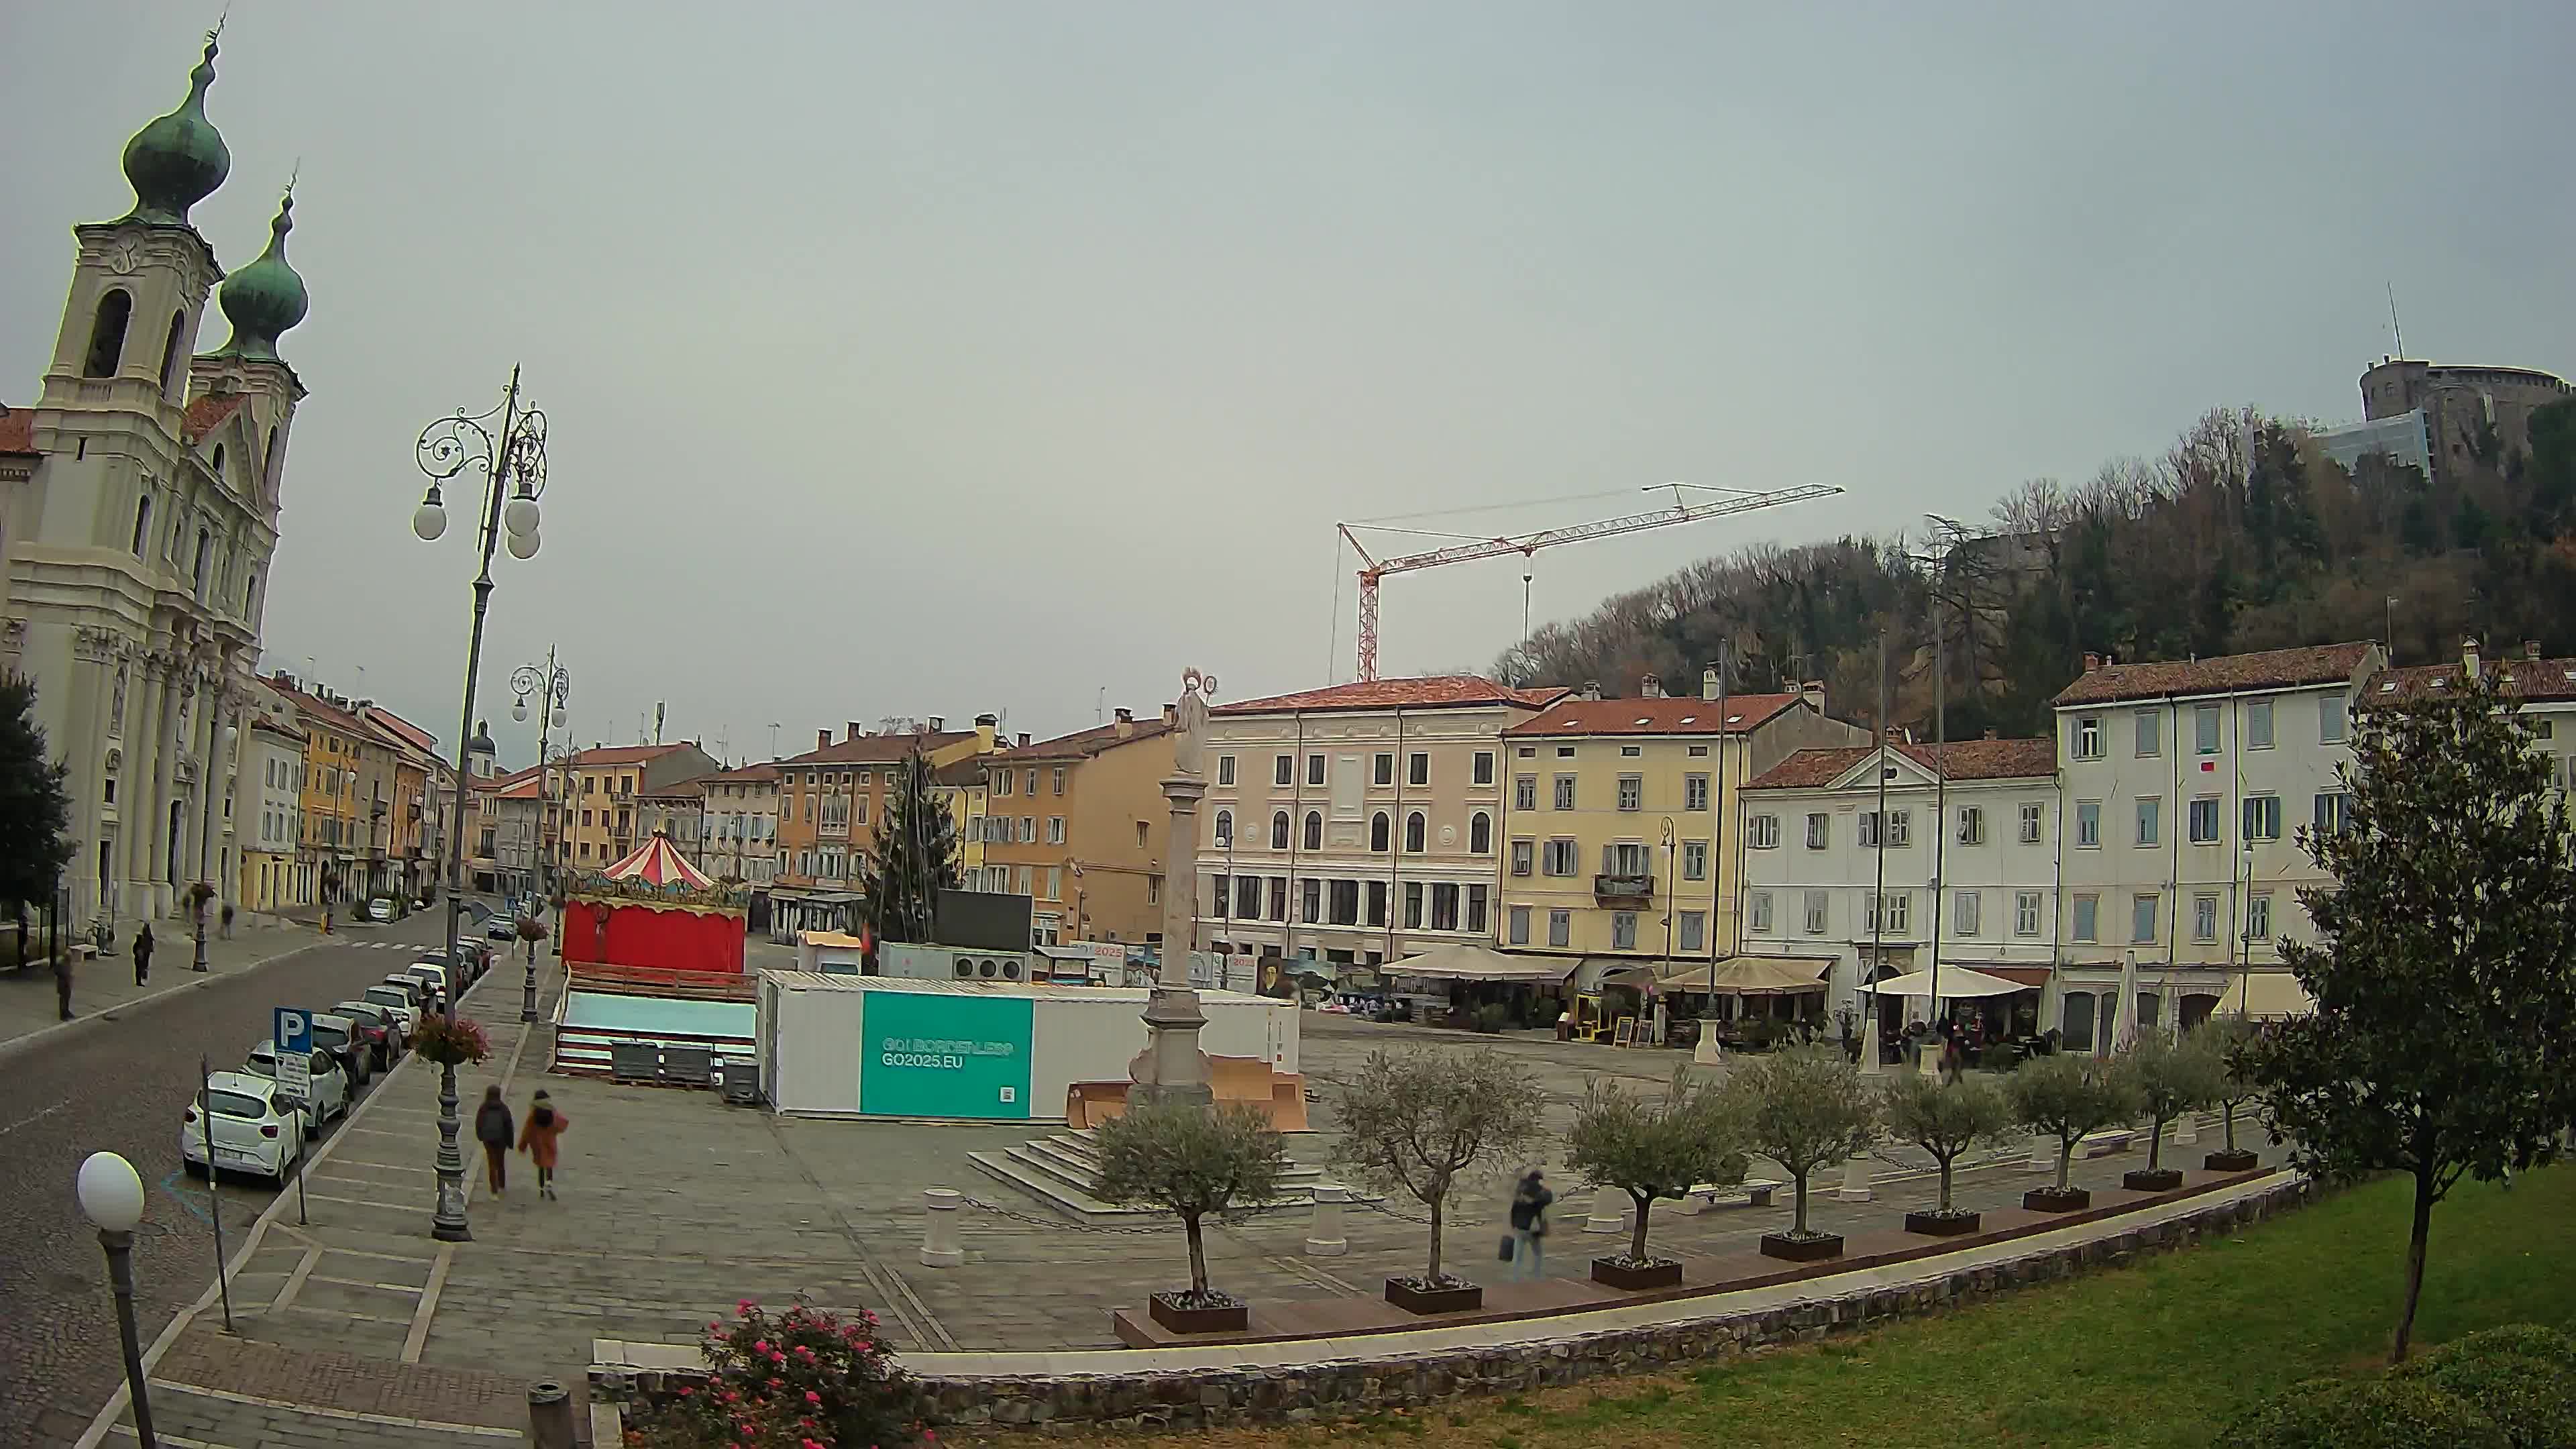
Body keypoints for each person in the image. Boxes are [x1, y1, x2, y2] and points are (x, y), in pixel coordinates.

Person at [517, 1089, 569, 1200]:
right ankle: (549, 1182)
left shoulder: (533, 1114)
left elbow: (527, 1131)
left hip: (538, 1143)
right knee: (549, 1164)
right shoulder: (552, 1112)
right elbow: (562, 1123)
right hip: (550, 1141)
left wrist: (523, 1146)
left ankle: (541, 1189)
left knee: (541, 1166)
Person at [1507, 1169, 1553, 1282]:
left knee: (1517, 1256)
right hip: (1533, 1229)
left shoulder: (1520, 1192)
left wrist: (1514, 1224)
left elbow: (1513, 1210)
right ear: (1538, 1180)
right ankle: (1536, 1277)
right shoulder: (1539, 1192)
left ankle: (1515, 1279)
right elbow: (1547, 1199)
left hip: (1520, 1228)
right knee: (1538, 1254)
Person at [474, 1085, 515, 1196]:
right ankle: (502, 1184)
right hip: (501, 1139)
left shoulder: (484, 1108)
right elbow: (509, 1126)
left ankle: (494, 1191)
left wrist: (481, 1136)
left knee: (492, 1164)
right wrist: (510, 1142)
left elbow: (479, 1123)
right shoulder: (503, 1108)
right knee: (500, 1162)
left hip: (488, 1139)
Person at [131, 922, 154, 986]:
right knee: (139, 970)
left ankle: (140, 979)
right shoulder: (138, 945)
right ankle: (139, 981)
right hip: (139, 960)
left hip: (140, 958)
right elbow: (135, 951)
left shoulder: (139, 945)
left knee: (141, 969)